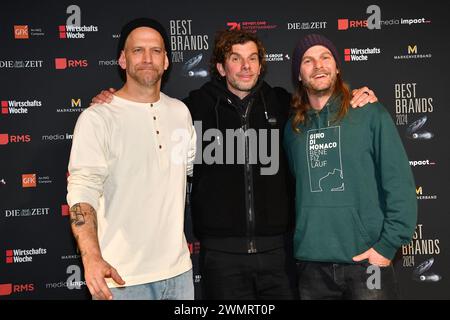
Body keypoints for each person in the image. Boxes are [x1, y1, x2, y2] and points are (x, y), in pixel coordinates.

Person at [92, 30, 377, 300]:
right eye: (235, 58)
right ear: (220, 67)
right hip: (221, 260)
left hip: (278, 254)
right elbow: (148, 109)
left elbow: (321, 101)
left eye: (252, 58)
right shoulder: (192, 108)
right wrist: (113, 100)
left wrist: (354, 95)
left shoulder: (282, 103)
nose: (245, 66)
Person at [66, 17, 196, 300]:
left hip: (179, 275)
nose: (147, 58)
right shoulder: (97, 118)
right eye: (138, 50)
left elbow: (189, 171)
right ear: (123, 60)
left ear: (167, 61)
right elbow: (81, 191)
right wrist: (90, 257)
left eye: (156, 51)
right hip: (122, 279)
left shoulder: (180, 113)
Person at [283, 34, 417, 300]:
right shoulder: (293, 129)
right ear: (299, 74)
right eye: (308, 61)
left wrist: (387, 246)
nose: (318, 65)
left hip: (367, 262)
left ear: (337, 67)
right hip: (311, 267)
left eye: (325, 57)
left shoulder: (369, 113)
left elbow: (399, 183)